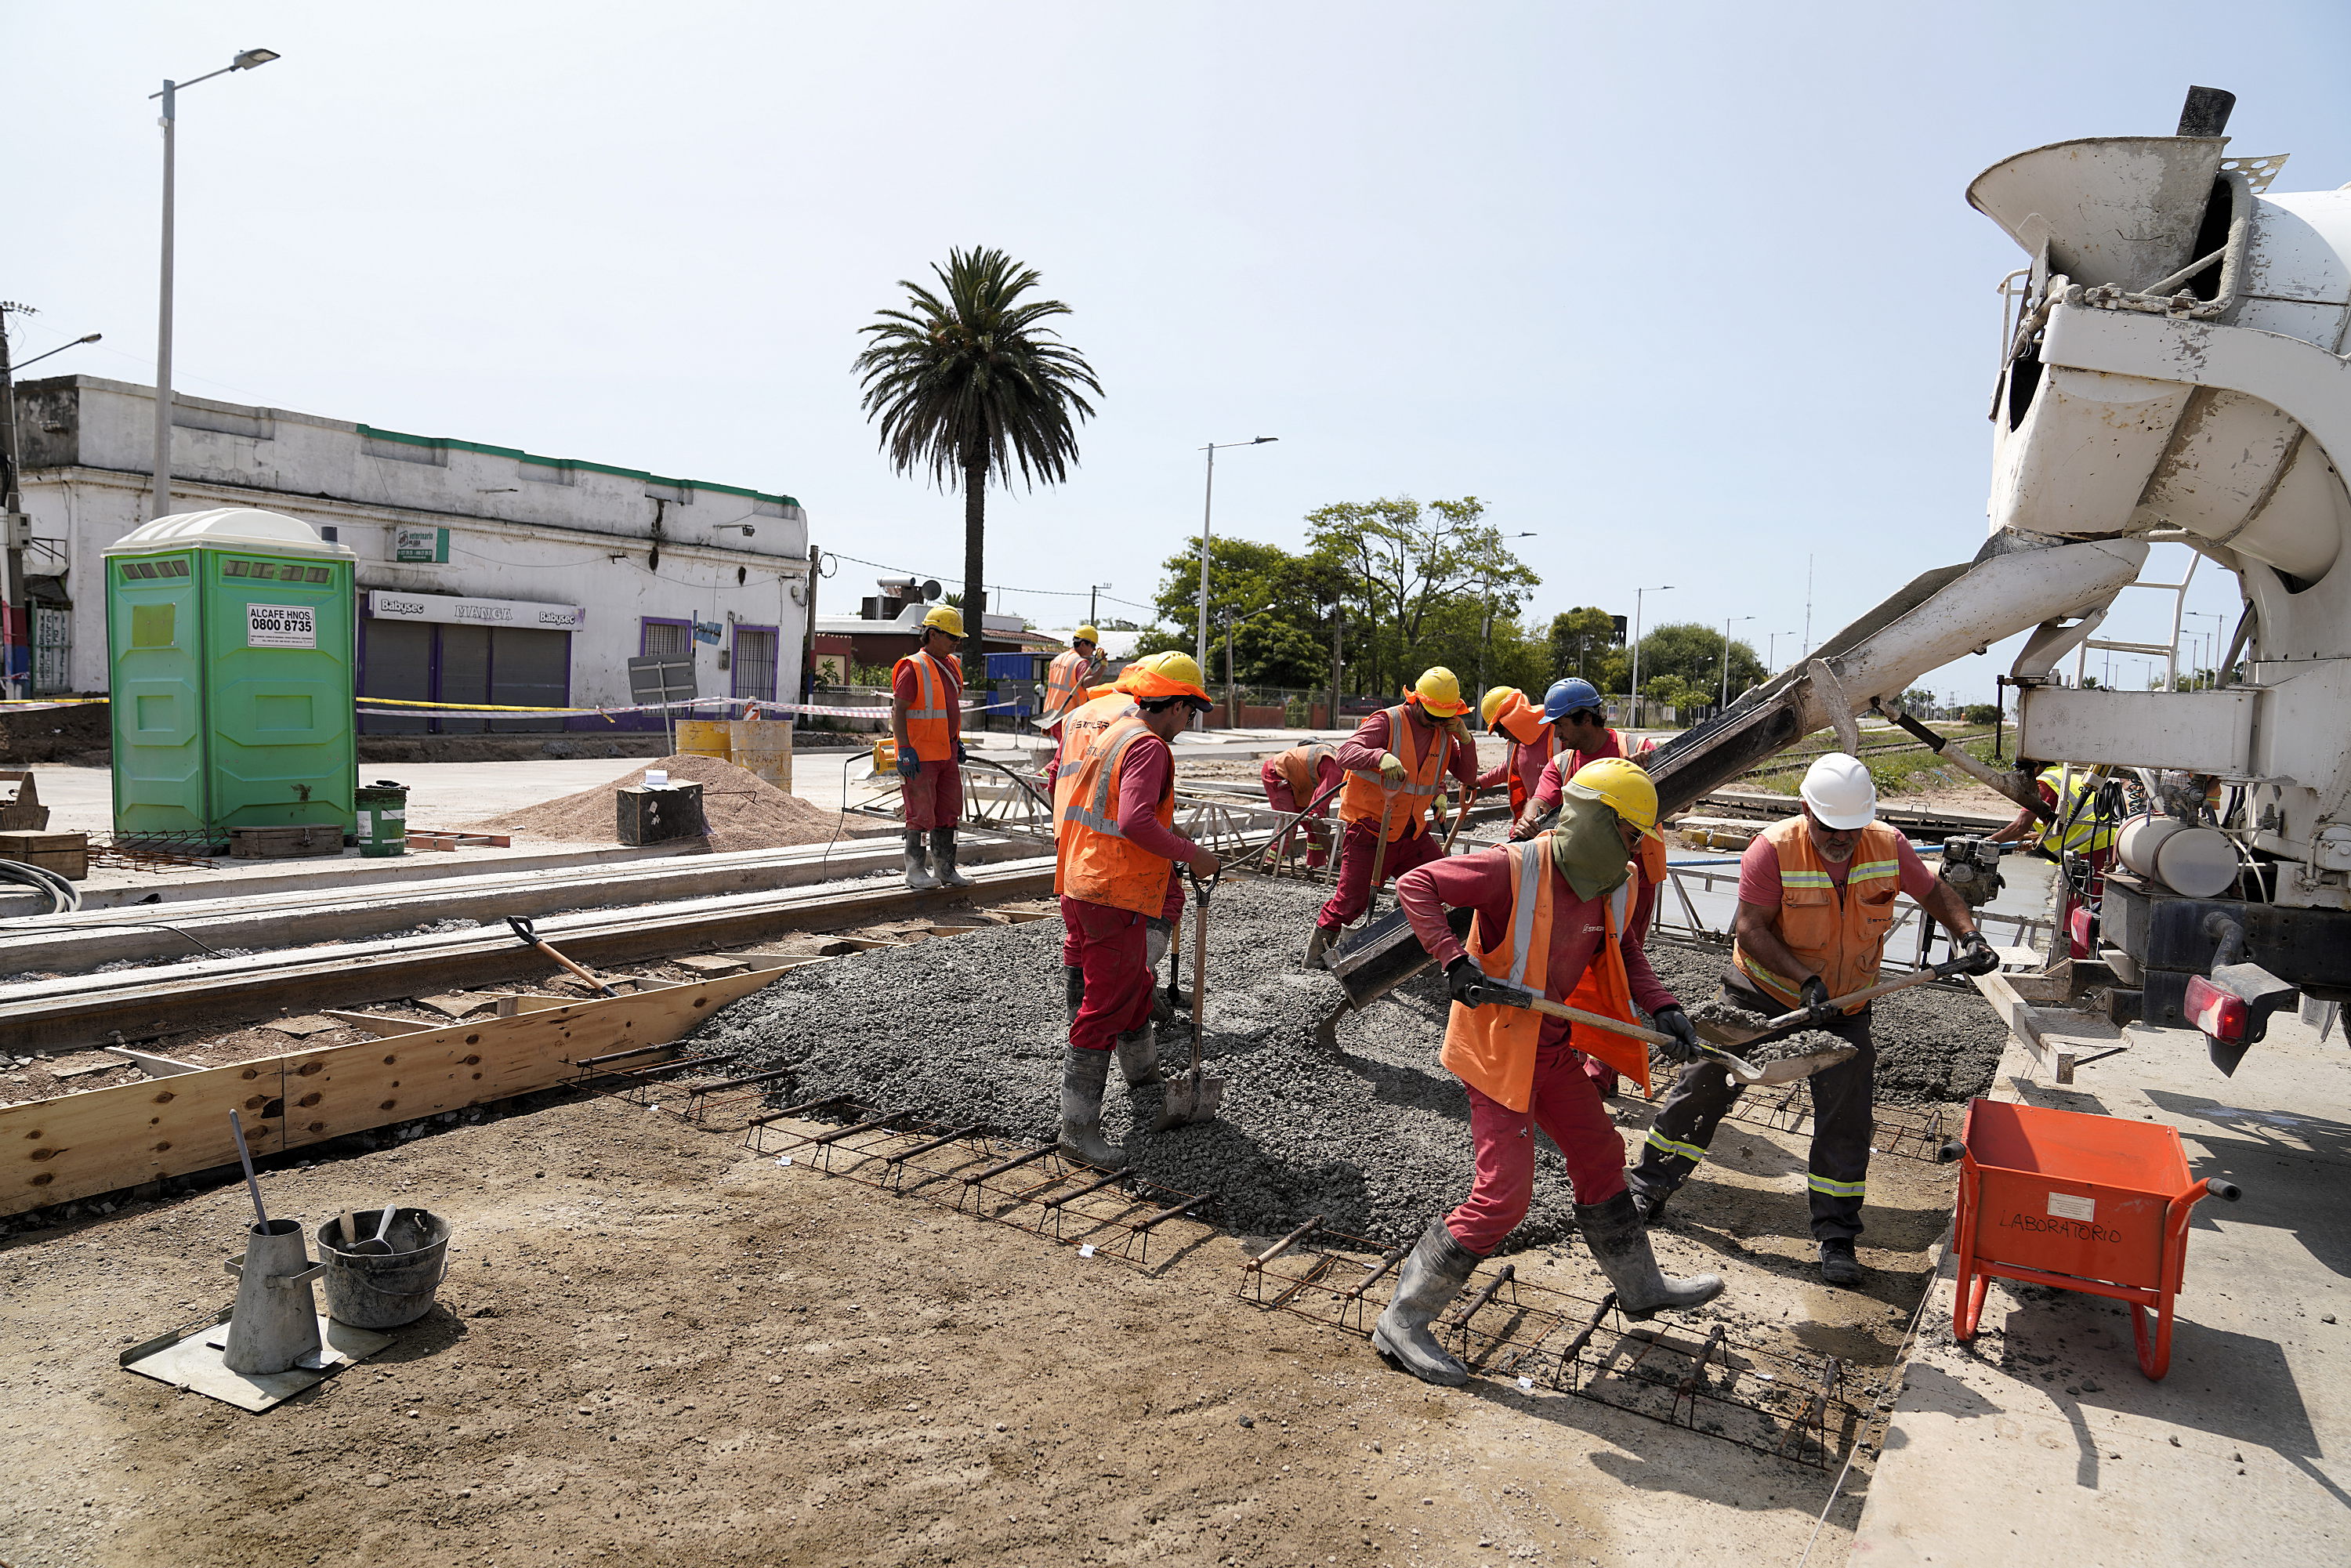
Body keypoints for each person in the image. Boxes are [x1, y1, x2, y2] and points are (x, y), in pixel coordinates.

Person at [1376, 758, 1723, 1386]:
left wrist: (1665, 1005)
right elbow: (1417, 885)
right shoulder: (1515, 866)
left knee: (1600, 1151)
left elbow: (1623, 952)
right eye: (1630, 833)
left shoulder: (1615, 883)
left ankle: (1641, 1286)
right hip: (1497, 1046)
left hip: (1552, 1048)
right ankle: (1405, 1318)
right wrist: (1454, 961)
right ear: (1595, 819)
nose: (1636, 848)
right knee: (1504, 1196)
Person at [1625, 752, 2000, 1286]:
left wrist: (1968, 934)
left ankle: (1837, 1234)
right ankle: (1649, 1186)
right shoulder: (1772, 850)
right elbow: (1750, 929)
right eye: (1829, 827)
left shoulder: (1887, 846)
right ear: (1806, 810)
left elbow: (1935, 892)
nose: (1841, 838)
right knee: (1705, 1082)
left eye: (1851, 828)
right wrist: (1804, 979)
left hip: (1845, 1005)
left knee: (1847, 1118)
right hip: (1762, 992)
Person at [1053, 654, 1221, 1168]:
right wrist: (1194, 854)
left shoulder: (1115, 732)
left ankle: (1142, 1074)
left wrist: (1174, 842)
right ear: (1172, 706)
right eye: (1189, 712)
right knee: (1103, 1007)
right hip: (1114, 892)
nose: (1189, 722)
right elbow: (1133, 820)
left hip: (1084, 882)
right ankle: (1077, 1129)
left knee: (1130, 987)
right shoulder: (1149, 747)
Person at [1302, 668, 1482, 970]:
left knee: (1442, 883)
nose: (1438, 721)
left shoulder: (1444, 734)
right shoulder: (1389, 721)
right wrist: (1378, 757)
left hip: (1412, 831)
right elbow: (1346, 753)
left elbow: (1466, 775)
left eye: (1443, 716)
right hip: (1371, 828)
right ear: (1415, 701)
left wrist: (1466, 741)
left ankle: (1415, 939)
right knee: (1351, 901)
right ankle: (1316, 957)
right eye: (1432, 714)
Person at [891, 604, 971, 890]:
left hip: (946, 752)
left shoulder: (951, 665)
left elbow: (947, 708)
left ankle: (945, 869)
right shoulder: (913, 667)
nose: (956, 643)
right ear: (933, 634)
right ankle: (915, 871)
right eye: (952, 637)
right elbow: (898, 710)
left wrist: (956, 739)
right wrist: (904, 749)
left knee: (949, 812)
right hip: (921, 755)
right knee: (921, 814)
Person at [1507, 679, 1639, 838]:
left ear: (1585, 718)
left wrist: (1643, 774)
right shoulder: (1559, 766)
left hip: (1636, 862)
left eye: (1561, 725)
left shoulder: (1636, 749)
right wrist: (1528, 820)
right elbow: (1539, 801)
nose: (1556, 734)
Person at [1474, 686, 1558, 822]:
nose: (1500, 735)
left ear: (1512, 720)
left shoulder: (1557, 731)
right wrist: (1479, 782)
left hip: (1559, 819)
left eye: (1499, 728)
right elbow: (1509, 768)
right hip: (1534, 819)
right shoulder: (1516, 741)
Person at [1260, 741, 1342, 871]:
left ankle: (1317, 867)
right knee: (1289, 825)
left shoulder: (1342, 761)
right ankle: (1270, 864)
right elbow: (1315, 812)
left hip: (1300, 782)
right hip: (1277, 773)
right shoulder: (1337, 772)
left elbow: (1320, 811)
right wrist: (1332, 852)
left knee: (1318, 825)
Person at [1041, 626, 1107, 731]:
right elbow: (1087, 685)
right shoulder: (1081, 663)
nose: (1094, 649)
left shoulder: (1058, 659)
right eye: (1093, 645)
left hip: (1051, 715)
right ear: (1083, 644)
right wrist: (1103, 667)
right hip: (1068, 716)